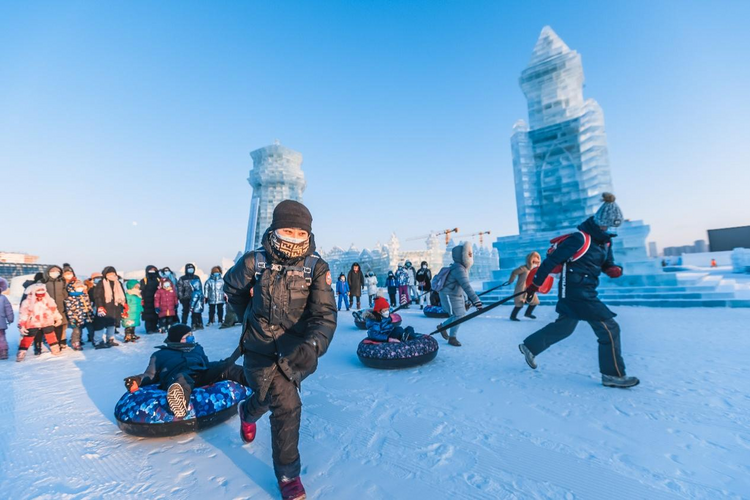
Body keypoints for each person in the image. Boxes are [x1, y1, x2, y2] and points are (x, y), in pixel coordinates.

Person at [224, 200, 336, 500]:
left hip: (294, 351)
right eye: (288, 230)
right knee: (284, 403)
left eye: (301, 233)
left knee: (271, 399)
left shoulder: (316, 267)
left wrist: (313, 346)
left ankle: (248, 412)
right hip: (258, 347)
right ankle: (288, 476)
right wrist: (247, 315)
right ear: (274, 229)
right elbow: (231, 288)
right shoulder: (254, 261)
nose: (294, 238)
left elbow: (324, 315)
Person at [518, 193, 640, 389]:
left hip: (588, 289)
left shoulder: (606, 242)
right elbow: (551, 261)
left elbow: (608, 263)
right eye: (605, 225)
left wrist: (613, 269)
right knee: (609, 328)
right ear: (599, 221)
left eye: (610, 226)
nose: (606, 229)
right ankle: (613, 375)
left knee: (565, 327)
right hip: (575, 291)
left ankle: (530, 346)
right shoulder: (580, 238)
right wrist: (534, 285)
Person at [123, 324, 248, 418]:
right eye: (187, 337)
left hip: (201, 373)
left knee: (227, 366)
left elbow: (206, 363)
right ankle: (179, 403)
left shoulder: (196, 348)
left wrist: (219, 367)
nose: (191, 338)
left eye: (191, 335)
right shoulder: (160, 355)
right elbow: (150, 375)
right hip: (178, 376)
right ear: (177, 340)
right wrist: (137, 380)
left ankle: (255, 381)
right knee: (181, 379)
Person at [437, 242, 483, 347]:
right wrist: (476, 301)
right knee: (458, 315)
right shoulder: (458, 269)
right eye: (469, 254)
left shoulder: (461, 268)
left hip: (455, 294)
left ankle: (442, 327)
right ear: (462, 256)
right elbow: (466, 286)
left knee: (460, 315)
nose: (471, 256)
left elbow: (462, 287)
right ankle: (452, 337)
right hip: (448, 295)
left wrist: (467, 300)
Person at [17, 284, 63, 361]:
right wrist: (22, 324)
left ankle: (55, 350)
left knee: (51, 335)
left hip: (47, 321)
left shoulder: (49, 300)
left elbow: (54, 310)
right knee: (28, 338)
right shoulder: (27, 302)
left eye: (42, 293)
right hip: (32, 323)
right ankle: (22, 352)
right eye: (38, 293)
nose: (40, 295)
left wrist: (58, 318)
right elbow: (23, 314)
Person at [92, 266, 127, 349]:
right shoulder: (101, 283)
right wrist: (100, 306)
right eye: (109, 273)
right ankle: (98, 341)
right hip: (104, 307)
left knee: (112, 324)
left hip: (115, 307)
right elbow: (97, 296)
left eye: (113, 273)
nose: (111, 275)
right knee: (100, 325)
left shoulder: (118, 283)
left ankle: (110, 339)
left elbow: (123, 295)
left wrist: (125, 305)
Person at [508, 252, 541, 321]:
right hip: (521, 288)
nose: (535, 263)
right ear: (530, 260)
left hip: (530, 289)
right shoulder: (524, 268)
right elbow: (514, 272)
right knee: (519, 304)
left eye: (537, 262)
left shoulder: (536, 270)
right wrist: (511, 280)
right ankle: (513, 316)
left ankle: (528, 313)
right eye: (534, 261)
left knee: (535, 302)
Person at [64, 279, 94, 350]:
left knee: (91, 329)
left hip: (87, 316)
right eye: (78, 287)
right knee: (77, 331)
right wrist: (72, 319)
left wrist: (91, 314)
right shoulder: (70, 298)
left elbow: (88, 305)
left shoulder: (84, 295)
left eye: (81, 286)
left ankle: (95, 341)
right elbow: (69, 310)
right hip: (76, 317)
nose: (80, 288)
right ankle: (75, 342)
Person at [44, 264, 68, 350]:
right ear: (48, 272)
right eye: (52, 271)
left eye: (57, 271)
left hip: (60, 307)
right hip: (48, 308)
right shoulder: (44, 282)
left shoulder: (61, 281)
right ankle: (51, 342)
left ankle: (58, 342)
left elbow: (65, 294)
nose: (55, 273)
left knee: (59, 325)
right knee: (49, 326)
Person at [140, 265, 160, 334]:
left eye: (153, 270)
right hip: (147, 301)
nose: (152, 272)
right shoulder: (144, 280)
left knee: (156, 315)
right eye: (150, 270)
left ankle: (155, 327)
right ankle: (149, 329)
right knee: (148, 316)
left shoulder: (159, 279)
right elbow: (141, 290)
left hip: (156, 300)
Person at [0, 278, 13, 360]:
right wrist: (10, 318)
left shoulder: (3, 298)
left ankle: (3, 351)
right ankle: (3, 351)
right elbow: (8, 309)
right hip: (1, 322)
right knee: (1, 337)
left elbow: (8, 308)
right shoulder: (3, 298)